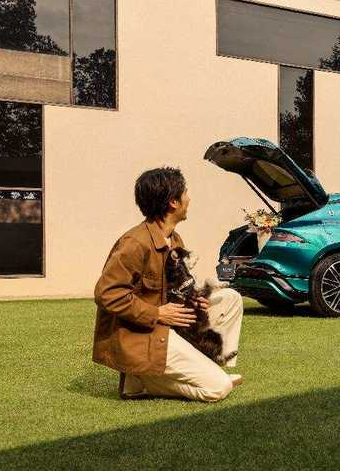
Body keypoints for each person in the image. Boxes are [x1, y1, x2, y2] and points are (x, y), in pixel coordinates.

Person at [92, 167, 244, 402]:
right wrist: (157, 313)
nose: (189, 199)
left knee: (230, 299)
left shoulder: (174, 239)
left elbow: (176, 287)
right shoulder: (134, 243)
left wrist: (194, 299)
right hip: (143, 333)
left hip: (171, 326)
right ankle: (141, 380)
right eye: (185, 194)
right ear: (173, 202)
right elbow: (107, 294)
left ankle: (209, 367)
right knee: (219, 388)